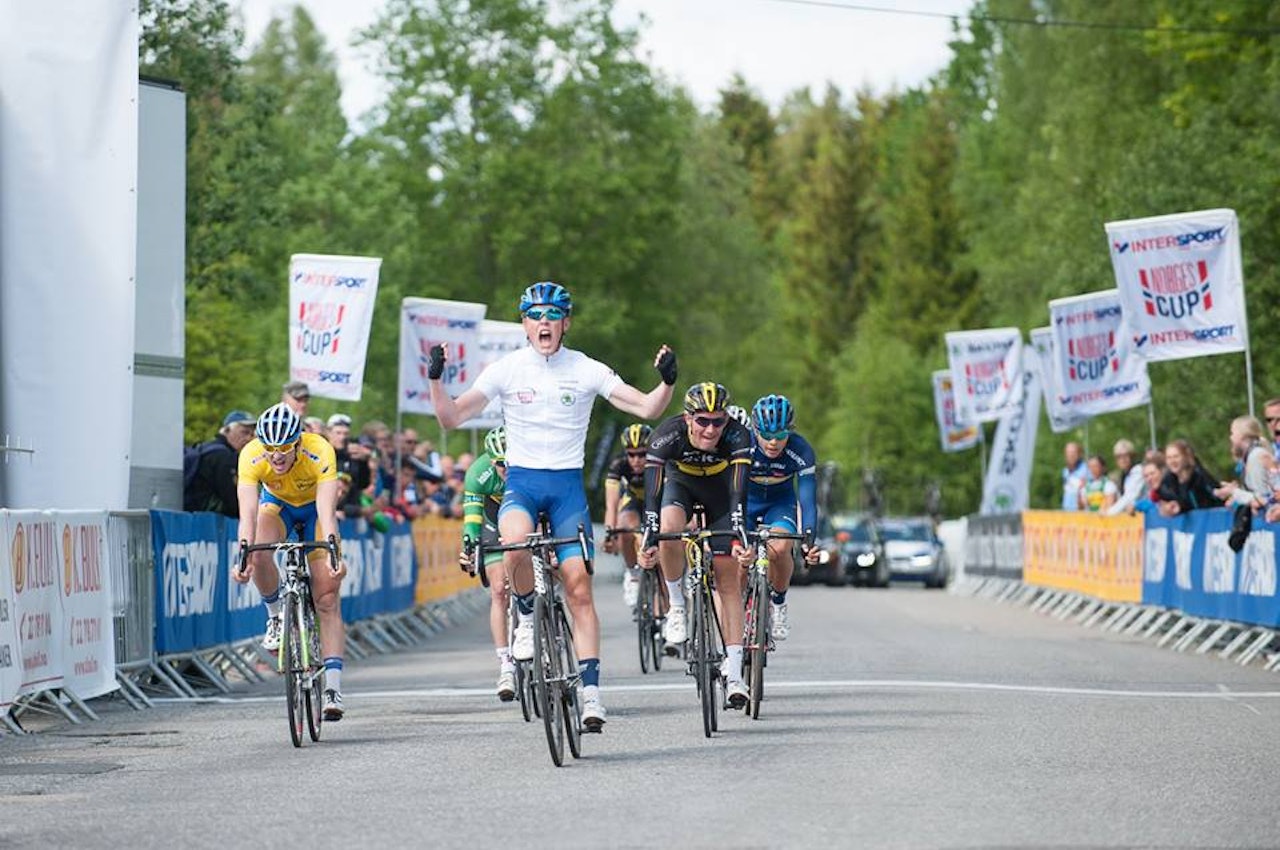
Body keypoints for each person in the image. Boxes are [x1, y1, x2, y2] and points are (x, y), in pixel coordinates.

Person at [428, 281, 677, 731]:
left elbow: (646, 408)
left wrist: (667, 382)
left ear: (566, 323)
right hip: (521, 485)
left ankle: (592, 694)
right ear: (524, 323)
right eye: (535, 316)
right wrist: (436, 380)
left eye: (552, 316)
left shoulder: (584, 369)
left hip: (566, 490)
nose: (543, 323)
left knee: (578, 587)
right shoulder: (506, 369)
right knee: (514, 543)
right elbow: (451, 417)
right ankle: (525, 614)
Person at [637, 381, 754, 709]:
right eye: (703, 421)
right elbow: (652, 496)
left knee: (727, 581)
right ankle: (676, 605)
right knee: (669, 528)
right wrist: (650, 535)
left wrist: (737, 532)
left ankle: (734, 673)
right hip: (681, 484)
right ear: (688, 418)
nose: (711, 429)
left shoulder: (738, 435)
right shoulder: (667, 434)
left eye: (718, 421)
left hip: (721, 490)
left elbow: (738, 494)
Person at [234, 403, 349, 720]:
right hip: (278, 506)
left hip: (314, 509)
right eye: (270, 449)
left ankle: (333, 688)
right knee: (257, 550)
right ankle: (275, 617)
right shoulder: (251, 455)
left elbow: (327, 514)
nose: (277, 456)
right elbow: (247, 515)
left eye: (284, 448)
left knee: (326, 598)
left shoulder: (320, 450)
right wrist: (242, 555)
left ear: (298, 441)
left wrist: (334, 552)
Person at [744, 394, 821, 641]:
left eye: (780, 436)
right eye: (766, 435)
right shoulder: (742, 443)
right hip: (745, 503)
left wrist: (809, 541)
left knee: (781, 545)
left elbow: (808, 500)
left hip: (779, 504)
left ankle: (778, 603)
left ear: (790, 431)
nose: (773, 443)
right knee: (737, 559)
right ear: (755, 430)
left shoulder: (801, 451)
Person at [456, 426, 518, 701]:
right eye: (500, 464)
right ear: (491, 460)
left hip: (528, 513)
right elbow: (472, 519)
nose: (505, 469)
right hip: (494, 519)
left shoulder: (531, 464)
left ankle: (545, 630)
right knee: (499, 590)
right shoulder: (478, 473)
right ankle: (506, 663)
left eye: (510, 462)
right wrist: (469, 548)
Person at [602, 424, 652, 609]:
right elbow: (611, 504)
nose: (636, 460)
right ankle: (632, 574)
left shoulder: (659, 460)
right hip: (633, 500)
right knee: (625, 525)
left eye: (642, 454)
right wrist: (610, 534)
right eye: (631, 454)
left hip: (655, 500)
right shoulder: (618, 464)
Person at [184, 410, 255, 517]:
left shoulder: (205, 448)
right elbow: (232, 499)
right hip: (207, 519)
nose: (249, 438)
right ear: (227, 430)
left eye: (251, 434)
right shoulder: (223, 457)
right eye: (244, 432)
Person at [1213, 415, 1275, 511]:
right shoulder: (1252, 456)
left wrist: (1233, 492)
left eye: (1232, 433)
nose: (1230, 438)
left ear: (1242, 435)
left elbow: (1262, 499)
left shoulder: (1256, 457)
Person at [1157, 439, 1222, 517]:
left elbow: (1217, 496)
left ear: (1186, 457)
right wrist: (1171, 507)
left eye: (1176, 456)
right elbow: (1169, 500)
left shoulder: (1199, 476)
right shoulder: (1168, 481)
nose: (1172, 461)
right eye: (1169, 458)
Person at [1104, 439, 1145, 516]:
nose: (1122, 459)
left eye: (1126, 455)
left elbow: (1129, 497)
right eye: (1119, 457)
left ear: (1132, 456)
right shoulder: (1124, 474)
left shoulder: (1138, 471)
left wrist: (1109, 513)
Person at [1061, 442, 1087, 511]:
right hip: (1066, 510)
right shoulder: (1065, 471)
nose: (1071, 455)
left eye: (1073, 452)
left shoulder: (1086, 469)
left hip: (1080, 512)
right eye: (1068, 452)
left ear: (1079, 454)